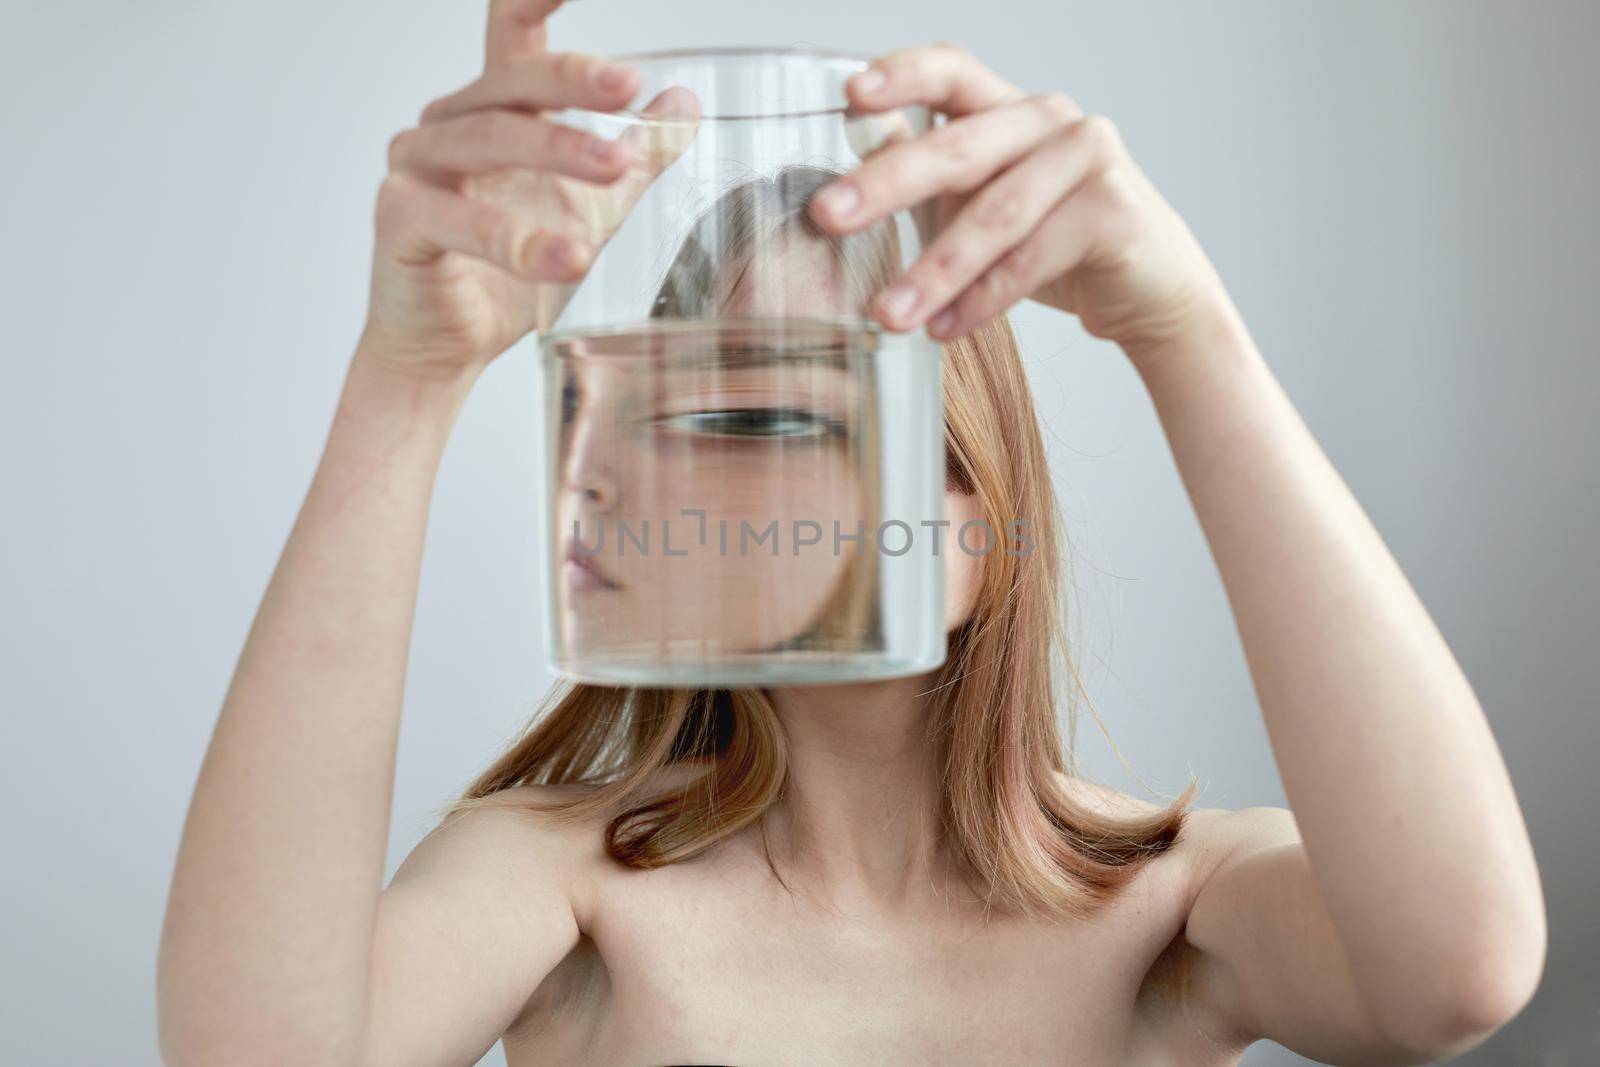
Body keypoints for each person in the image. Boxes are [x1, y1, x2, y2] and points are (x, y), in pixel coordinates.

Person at [155, 2, 1548, 1064]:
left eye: (761, 419)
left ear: (970, 535)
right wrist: (405, 382)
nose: (630, 477)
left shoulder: (1175, 904)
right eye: (658, 407)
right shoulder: (570, 886)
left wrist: (1185, 334)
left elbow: (1457, 975)